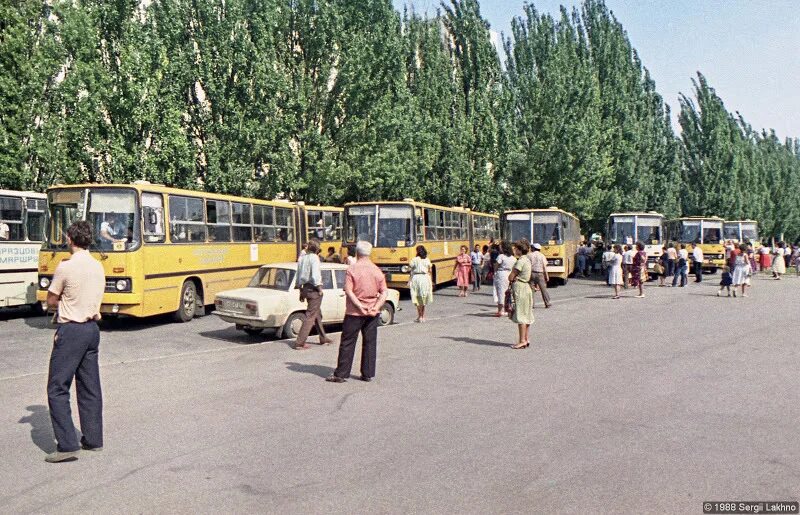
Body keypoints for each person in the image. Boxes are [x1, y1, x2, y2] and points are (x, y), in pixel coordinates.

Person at [44, 221, 105, 463]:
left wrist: (60, 304)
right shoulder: (98, 266)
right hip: (92, 329)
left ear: (69, 239)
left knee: (57, 388)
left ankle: (67, 444)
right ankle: (93, 439)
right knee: (90, 387)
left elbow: (51, 299)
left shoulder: (66, 267)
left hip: (71, 330)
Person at [327, 241, 387, 383]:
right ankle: (367, 374)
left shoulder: (352, 269)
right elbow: (384, 292)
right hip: (372, 312)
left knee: (348, 342)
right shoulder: (376, 270)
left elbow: (348, 290)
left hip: (354, 312)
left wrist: (359, 306)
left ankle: (341, 374)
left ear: (357, 253)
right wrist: (376, 307)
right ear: (370, 253)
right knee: (370, 342)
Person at [294, 240, 332, 349]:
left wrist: (300, 290)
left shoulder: (302, 258)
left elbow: (298, 275)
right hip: (313, 289)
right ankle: (300, 342)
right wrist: (320, 288)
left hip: (305, 288)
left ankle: (323, 337)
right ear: (316, 249)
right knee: (310, 316)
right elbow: (315, 275)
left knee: (317, 314)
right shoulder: (314, 258)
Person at [508, 240, 533, 349]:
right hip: (526, 287)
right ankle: (526, 338)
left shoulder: (520, 261)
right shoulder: (527, 260)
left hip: (520, 287)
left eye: (515, 248)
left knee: (521, 315)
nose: (514, 250)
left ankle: (522, 340)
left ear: (519, 250)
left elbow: (511, 276)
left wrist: (512, 276)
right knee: (526, 314)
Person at [409, 245, 433, 322]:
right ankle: (422, 316)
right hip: (425, 278)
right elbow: (430, 270)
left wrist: (409, 280)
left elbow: (410, 269)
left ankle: (419, 316)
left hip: (416, 278)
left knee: (416, 297)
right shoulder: (427, 260)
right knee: (423, 297)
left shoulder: (414, 260)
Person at [493, 241, 516, 317]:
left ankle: (500, 310)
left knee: (501, 292)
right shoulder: (513, 258)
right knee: (509, 292)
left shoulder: (501, 256)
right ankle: (508, 308)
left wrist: (495, 272)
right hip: (510, 273)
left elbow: (496, 266)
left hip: (501, 274)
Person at [528, 243, 551, 308]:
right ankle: (547, 303)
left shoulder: (529, 255)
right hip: (540, 274)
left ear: (533, 248)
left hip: (531, 273)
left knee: (531, 290)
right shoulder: (542, 256)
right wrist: (547, 275)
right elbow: (544, 266)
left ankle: (531, 304)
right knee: (543, 289)